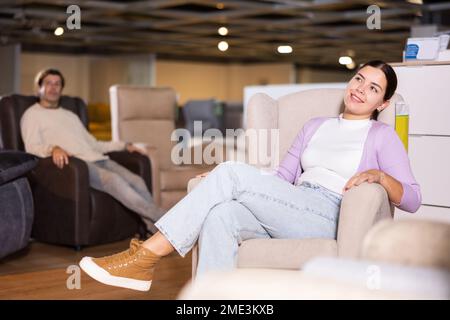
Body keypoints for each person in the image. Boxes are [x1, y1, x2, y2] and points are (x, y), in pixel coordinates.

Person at [79, 60, 422, 292]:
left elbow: (412, 198)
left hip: (330, 213)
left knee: (229, 174)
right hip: (293, 202)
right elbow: (283, 176)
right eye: (359, 78)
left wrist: (379, 175)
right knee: (220, 214)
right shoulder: (315, 125)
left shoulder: (381, 136)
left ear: (383, 102)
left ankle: (147, 257)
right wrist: (221, 181)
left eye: (373, 88)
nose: (361, 88)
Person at [20, 68, 164, 234]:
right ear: (39, 88)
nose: (53, 87)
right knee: (116, 181)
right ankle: (168, 220)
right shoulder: (31, 115)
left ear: (61, 88)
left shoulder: (70, 115)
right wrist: (53, 148)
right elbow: (31, 147)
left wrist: (124, 145)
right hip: (79, 165)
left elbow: (94, 144)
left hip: (98, 158)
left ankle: (155, 230)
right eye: (48, 83)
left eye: (57, 84)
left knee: (137, 180)